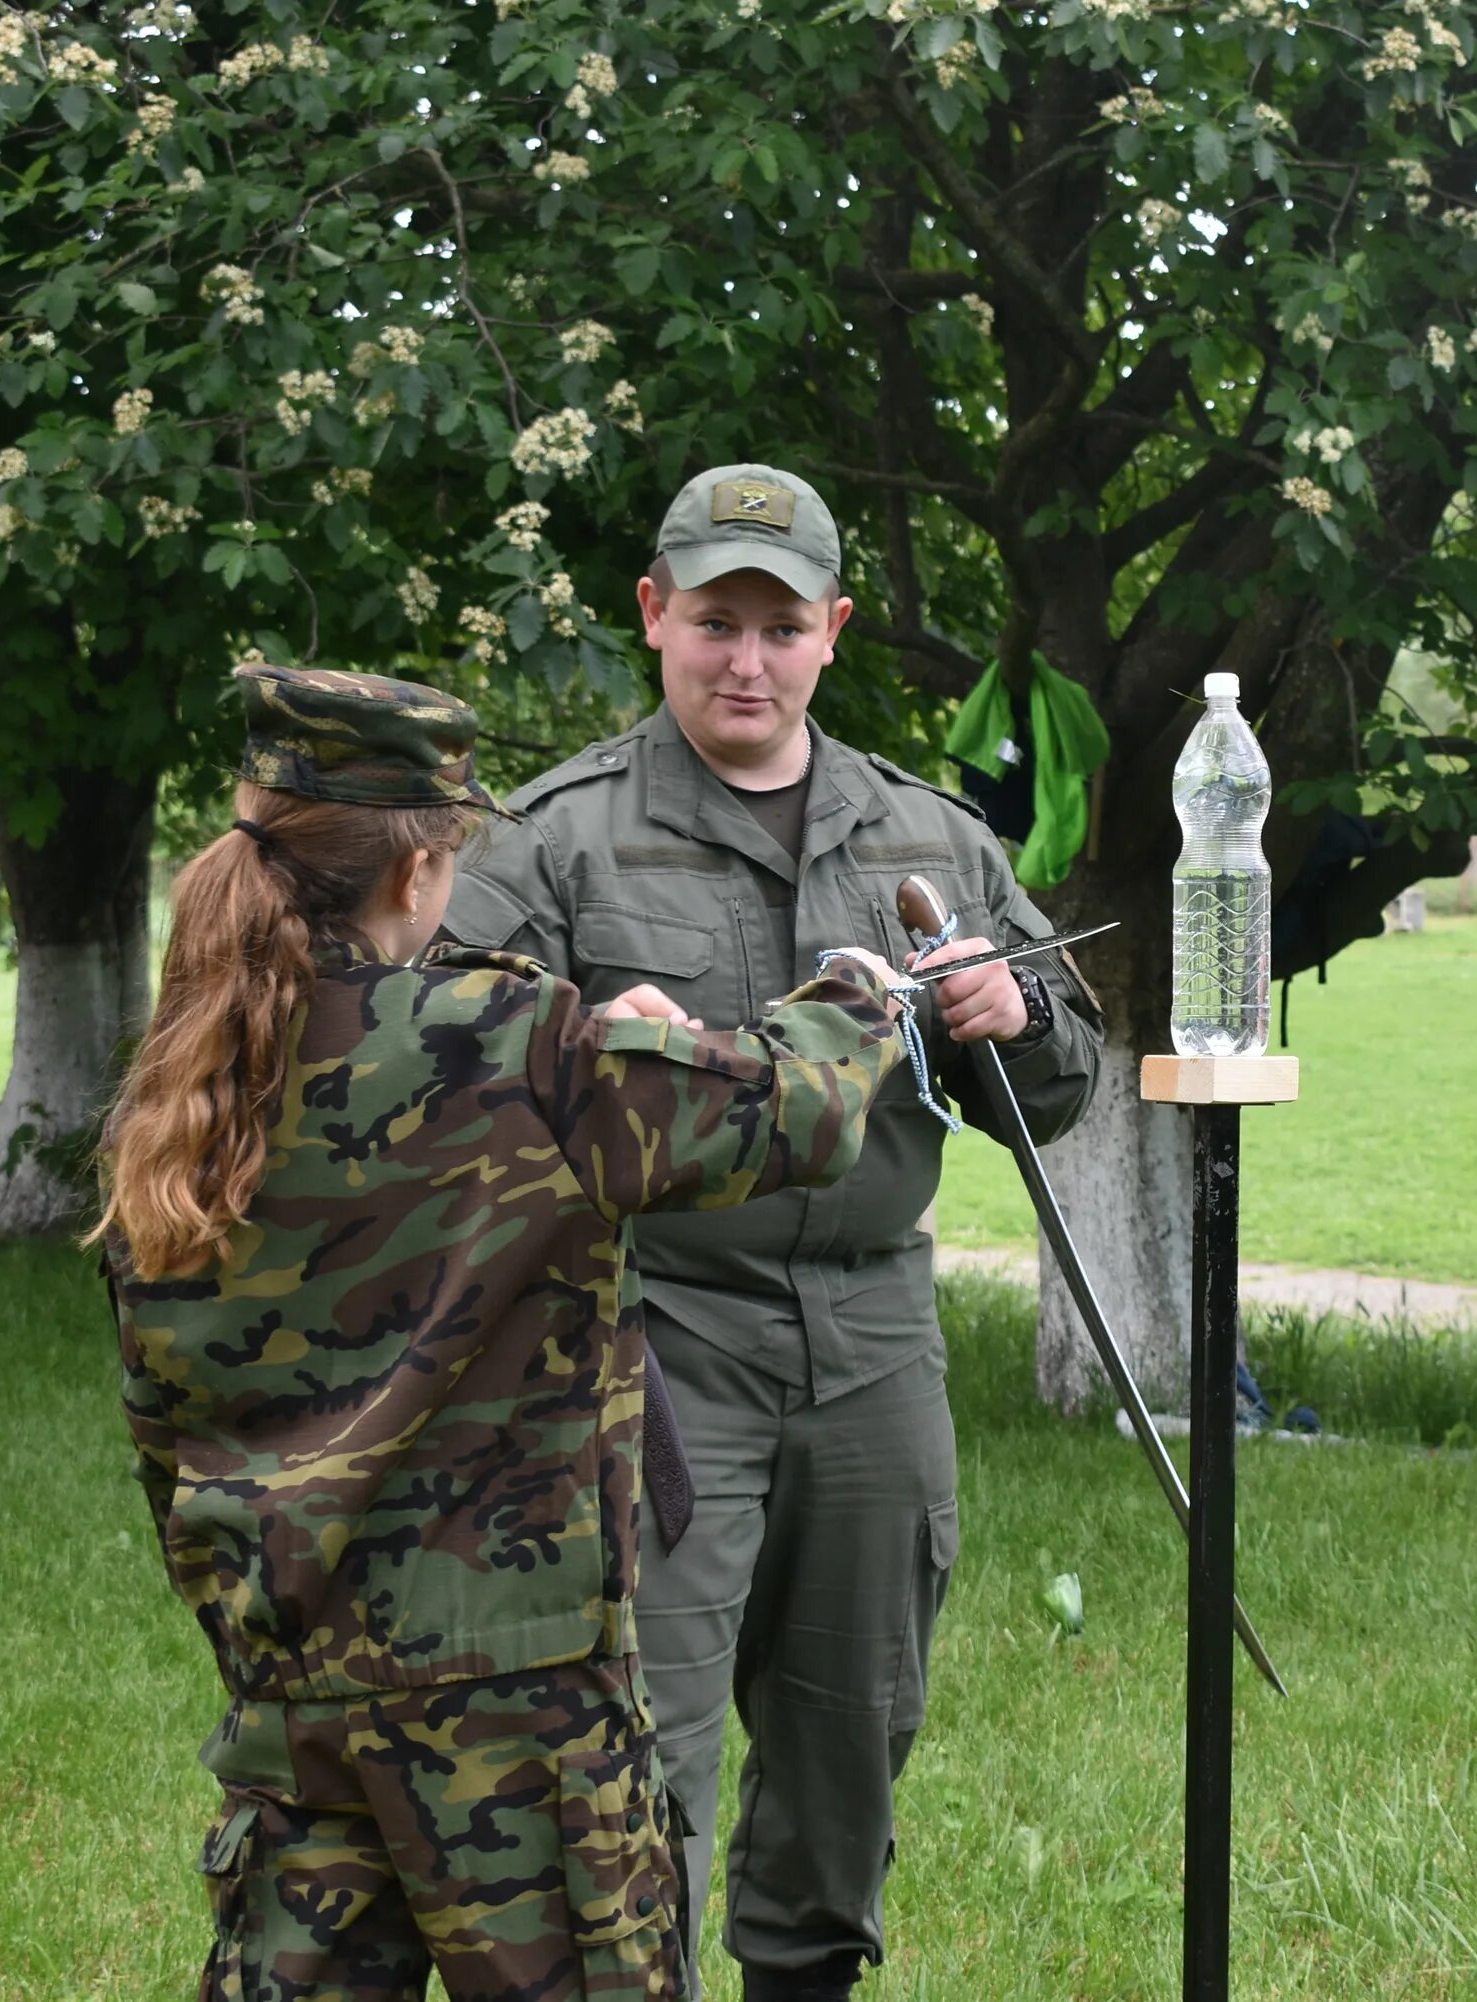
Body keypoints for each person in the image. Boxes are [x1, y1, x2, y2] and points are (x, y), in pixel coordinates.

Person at [97, 662, 908, 2002]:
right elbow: (802, 1107)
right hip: (524, 1723)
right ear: (421, 875)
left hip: (296, 1702)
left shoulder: (183, 1092)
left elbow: (162, 1431)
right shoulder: (522, 1048)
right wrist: (859, 995)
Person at [440, 464, 1105, 2000]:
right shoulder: (555, 842)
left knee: (852, 1723)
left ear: (833, 634)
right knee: (637, 1738)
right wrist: (583, 1049)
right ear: (654, 616)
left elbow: (1053, 1090)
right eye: (716, 620)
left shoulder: (926, 836)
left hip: (875, 1340)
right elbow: (435, 1080)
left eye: (781, 625)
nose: (746, 657)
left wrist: (1016, 1015)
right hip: (648, 1343)